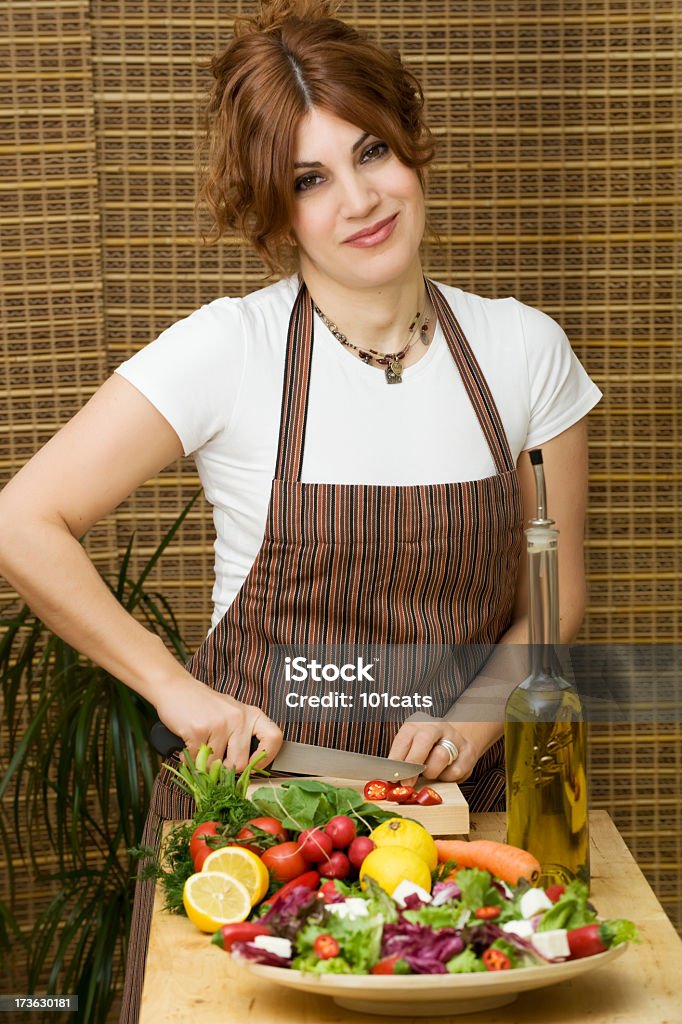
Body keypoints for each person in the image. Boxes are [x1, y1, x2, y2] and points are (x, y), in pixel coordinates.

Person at [0, 0, 601, 1017]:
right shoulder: (227, 350)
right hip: (255, 834)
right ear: (272, 211)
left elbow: (558, 596)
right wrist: (173, 692)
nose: (359, 198)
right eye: (308, 179)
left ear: (410, 146)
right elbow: (22, 521)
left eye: (372, 151)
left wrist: (476, 715)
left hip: (458, 829)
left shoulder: (521, 351)